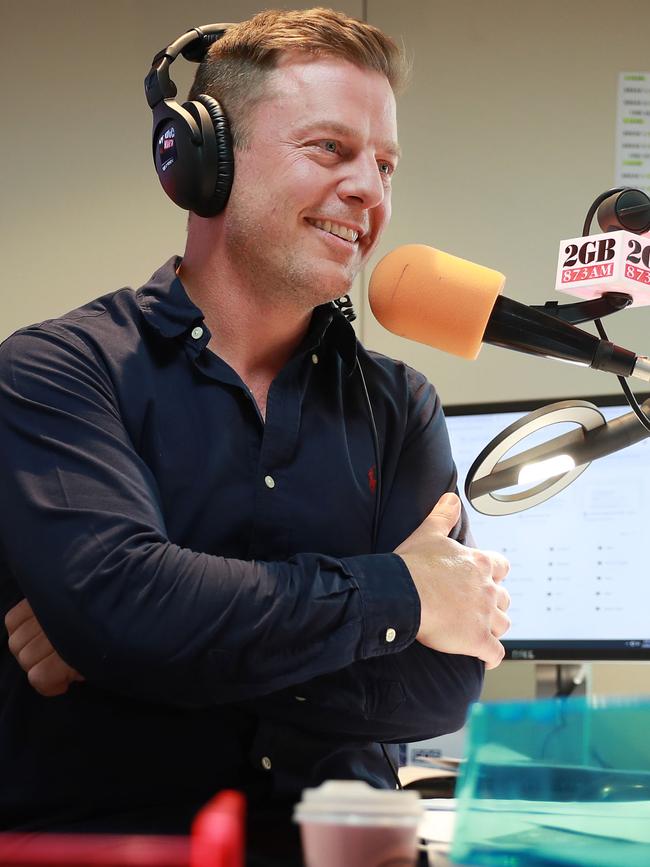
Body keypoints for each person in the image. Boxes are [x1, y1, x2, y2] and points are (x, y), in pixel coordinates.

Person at [0, 8, 510, 864]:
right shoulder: (57, 370)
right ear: (204, 159)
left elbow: (441, 684)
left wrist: (140, 653)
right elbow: (127, 612)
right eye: (331, 150)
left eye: (385, 164)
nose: (371, 191)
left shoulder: (400, 405)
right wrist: (400, 597)